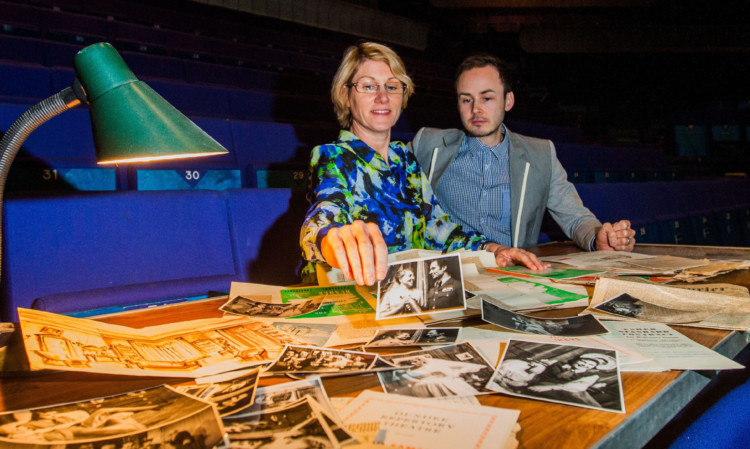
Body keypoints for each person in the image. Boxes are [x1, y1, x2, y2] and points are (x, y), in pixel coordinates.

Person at [299, 42, 548, 287]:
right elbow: (324, 214)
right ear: (347, 95)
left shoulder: (404, 160)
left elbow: (439, 228)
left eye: (392, 86)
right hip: (349, 294)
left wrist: (492, 249)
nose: (382, 97)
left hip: (408, 294)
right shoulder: (332, 156)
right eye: (368, 86)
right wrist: (330, 237)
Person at [410, 54, 636, 256]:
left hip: (511, 274)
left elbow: (575, 217)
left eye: (487, 98)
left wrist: (599, 239)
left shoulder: (540, 155)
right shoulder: (428, 144)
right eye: (466, 99)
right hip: (449, 275)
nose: (475, 109)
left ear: (508, 101)